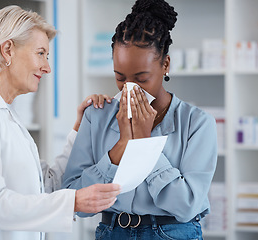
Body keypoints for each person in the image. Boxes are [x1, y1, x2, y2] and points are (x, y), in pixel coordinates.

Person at [0, 5, 120, 240]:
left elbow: (47, 185)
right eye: (40, 53)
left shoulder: (7, 115)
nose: (47, 67)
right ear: (8, 50)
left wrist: (79, 130)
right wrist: (73, 202)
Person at [62, 0, 218, 239]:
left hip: (173, 233)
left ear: (165, 65)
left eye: (141, 78)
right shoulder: (97, 116)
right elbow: (72, 197)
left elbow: (187, 205)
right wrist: (121, 147)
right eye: (120, 78)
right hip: (113, 231)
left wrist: (144, 144)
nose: (129, 88)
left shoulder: (197, 123)